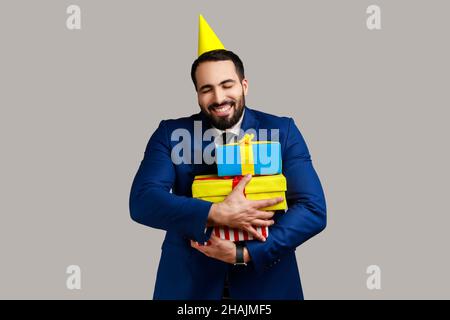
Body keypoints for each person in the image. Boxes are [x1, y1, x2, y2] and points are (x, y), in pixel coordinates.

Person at [129, 15, 326, 300]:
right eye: (206, 89)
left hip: (267, 286)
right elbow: (143, 201)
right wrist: (216, 213)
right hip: (188, 285)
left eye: (227, 84)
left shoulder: (282, 131)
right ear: (197, 94)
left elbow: (313, 209)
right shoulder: (171, 133)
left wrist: (243, 254)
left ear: (244, 85)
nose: (219, 97)